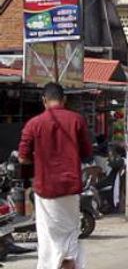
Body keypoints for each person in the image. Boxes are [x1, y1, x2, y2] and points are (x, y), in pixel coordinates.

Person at [18, 82, 92, 269]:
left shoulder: (33, 124)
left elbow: (22, 158)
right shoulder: (77, 120)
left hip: (45, 190)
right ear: (64, 99)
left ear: (44, 100)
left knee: (48, 240)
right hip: (70, 189)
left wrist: (40, 160)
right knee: (70, 237)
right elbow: (86, 153)